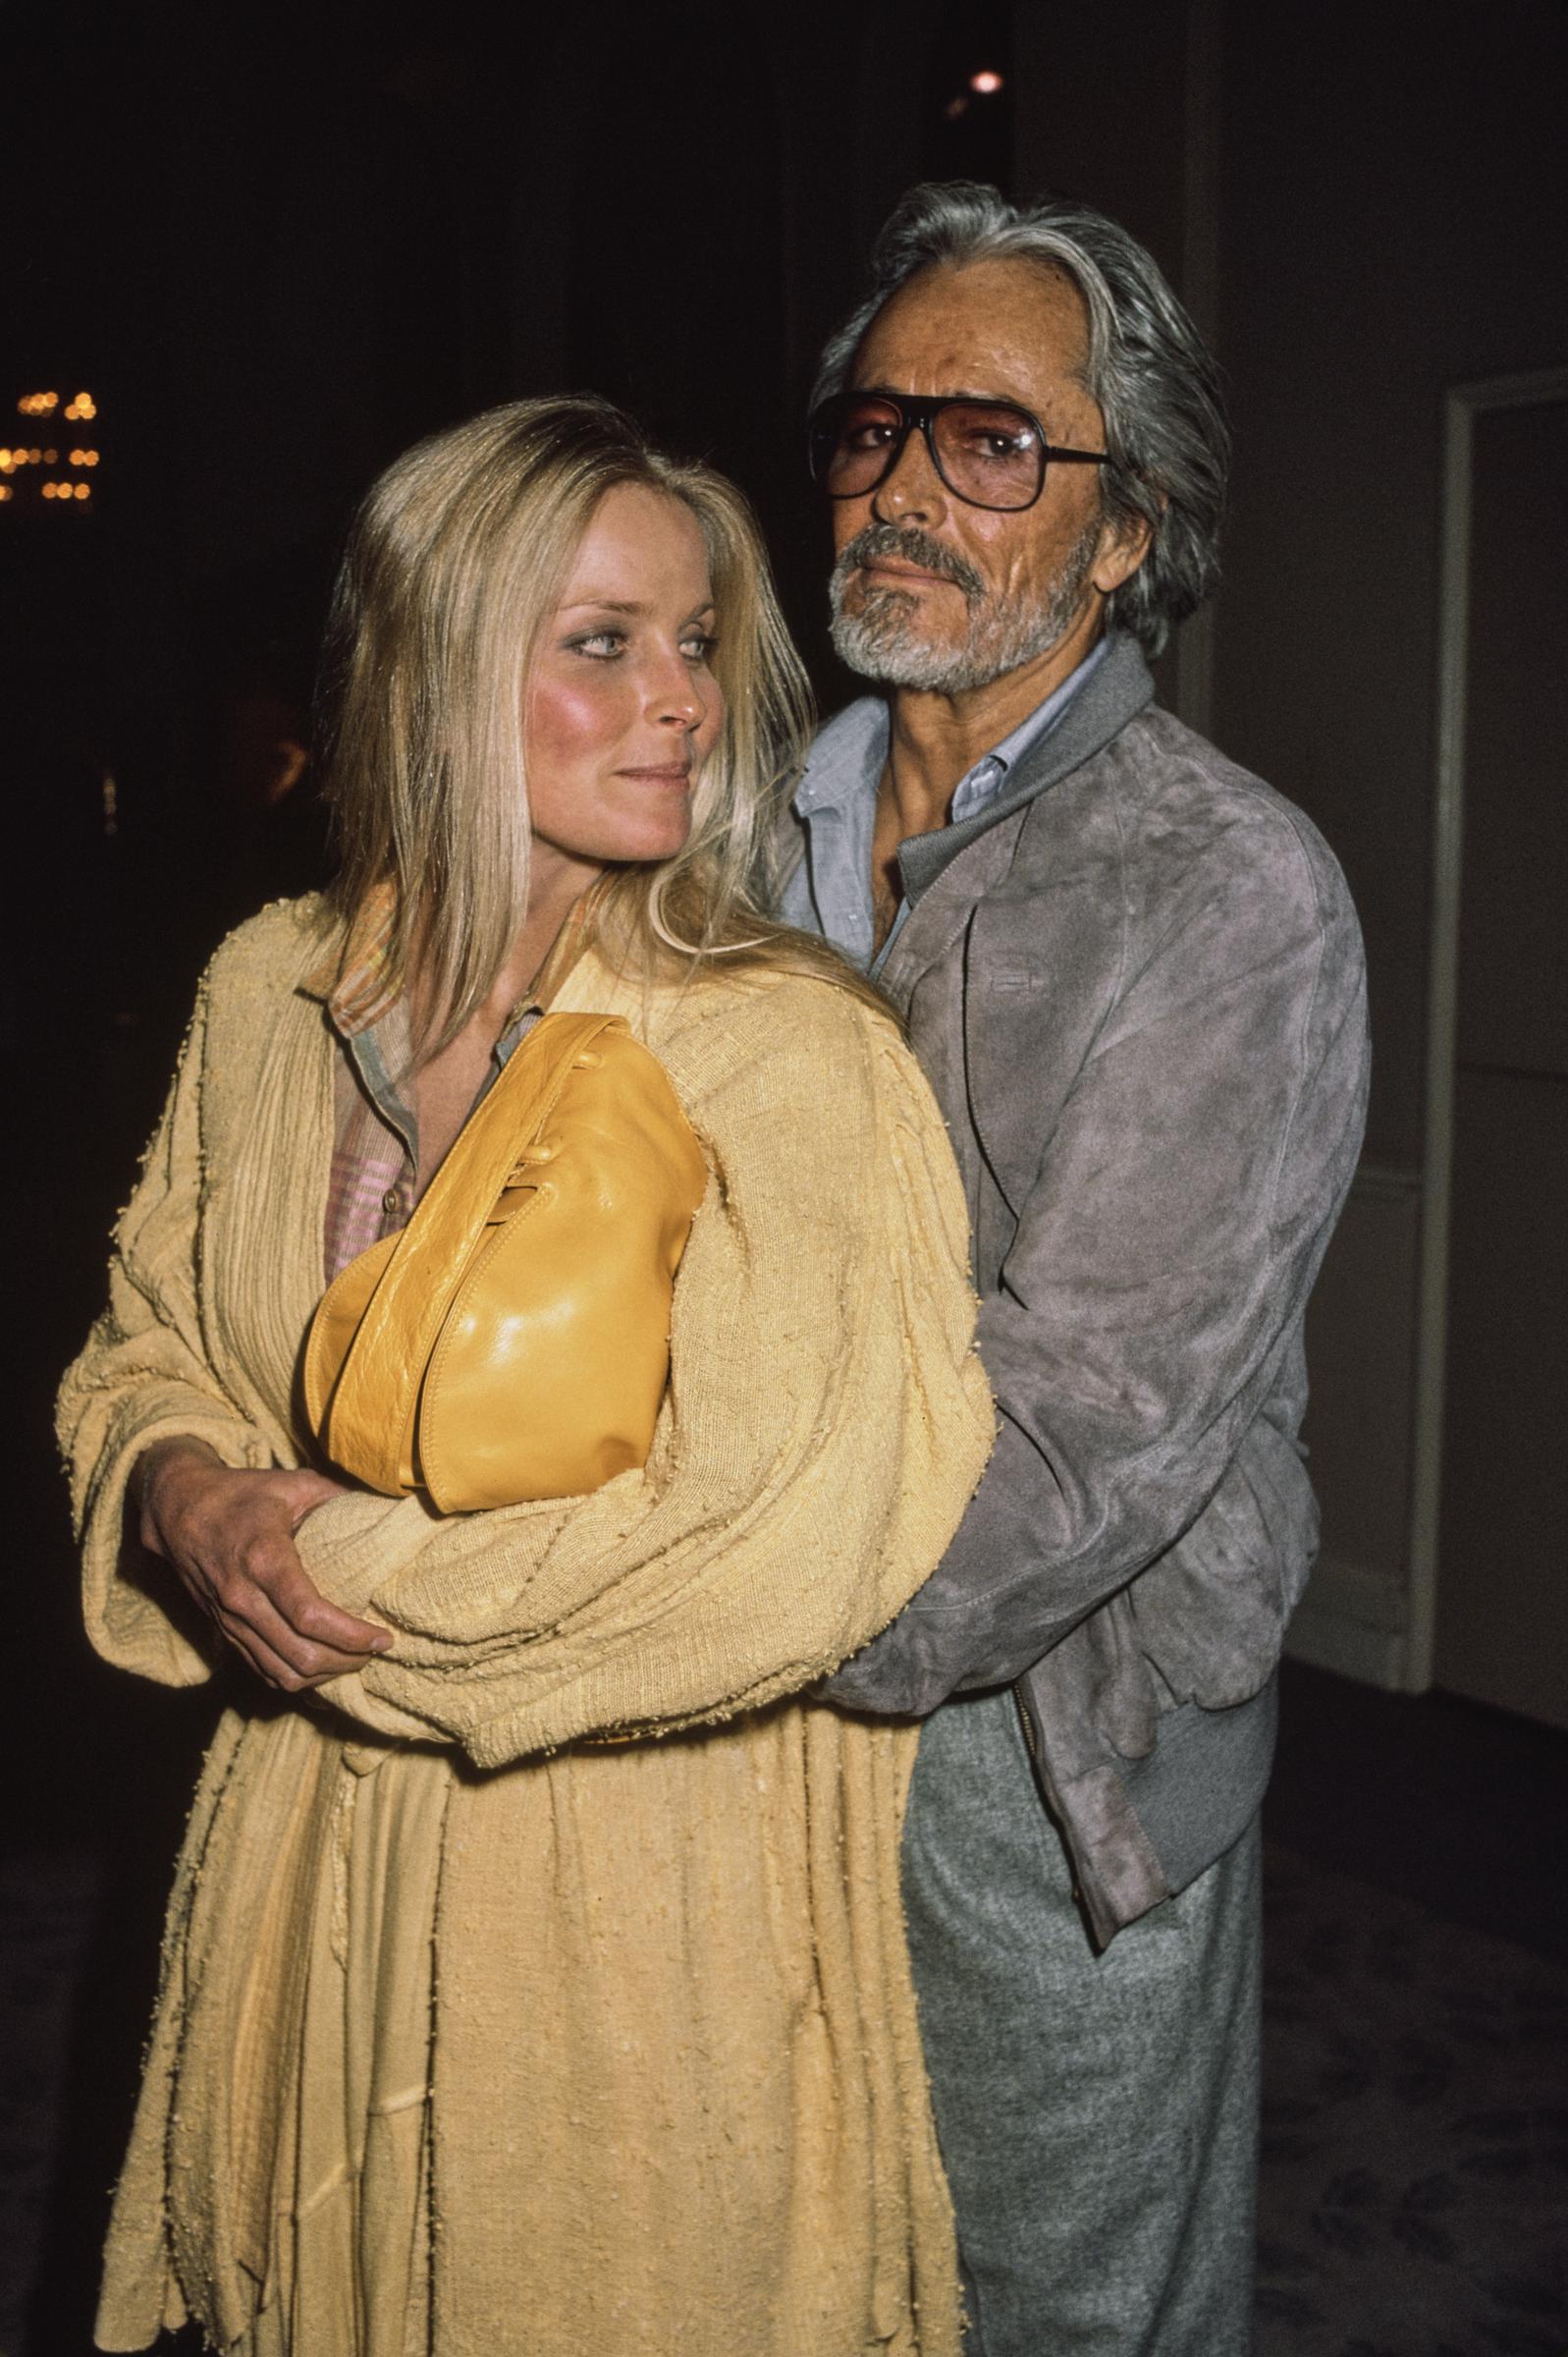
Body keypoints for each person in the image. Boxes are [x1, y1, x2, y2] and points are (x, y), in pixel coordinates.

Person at [57, 396, 996, 2357]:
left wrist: (299, 1573)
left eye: (696, 640)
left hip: (630, 1899)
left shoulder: (788, 1055)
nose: (679, 698)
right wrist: (174, 1494)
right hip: (306, 1850)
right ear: (431, 666)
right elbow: (144, 1333)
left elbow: (781, 1539)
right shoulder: (270, 989)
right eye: (601, 642)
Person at [782, 184, 1371, 2355]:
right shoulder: (721, 839)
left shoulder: (1229, 895)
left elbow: (1083, 1442)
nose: (909, 480)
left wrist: (660, 1623)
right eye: (876, 423)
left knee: (1051, 2308)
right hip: (720, 1733)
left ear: (1125, 536)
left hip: (1050, 1757)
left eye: (995, 441)